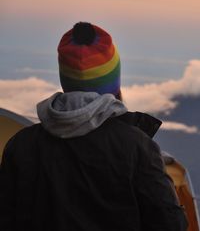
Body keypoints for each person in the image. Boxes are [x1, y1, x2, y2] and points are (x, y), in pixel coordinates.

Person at [0, 22, 188, 231]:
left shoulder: (21, 145)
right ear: (112, 84)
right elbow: (170, 225)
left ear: (66, 80)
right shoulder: (136, 147)